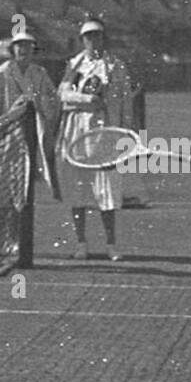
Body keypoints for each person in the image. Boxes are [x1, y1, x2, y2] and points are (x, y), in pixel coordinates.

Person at [0, 21, 61, 255]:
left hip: (29, 138)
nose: (23, 50)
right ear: (12, 49)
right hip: (6, 137)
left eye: (28, 46)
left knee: (22, 189)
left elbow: (53, 100)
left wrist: (39, 106)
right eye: (19, 46)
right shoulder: (1, 73)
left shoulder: (39, 73)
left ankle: (15, 240)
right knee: (1, 189)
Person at [57, 18, 131, 261]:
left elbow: (126, 104)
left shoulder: (116, 66)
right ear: (82, 40)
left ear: (103, 37)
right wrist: (86, 100)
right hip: (76, 132)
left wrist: (126, 134)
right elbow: (63, 94)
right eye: (88, 36)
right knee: (77, 191)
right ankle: (81, 244)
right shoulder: (74, 65)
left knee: (106, 191)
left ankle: (111, 245)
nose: (92, 40)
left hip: (104, 133)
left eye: (97, 35)